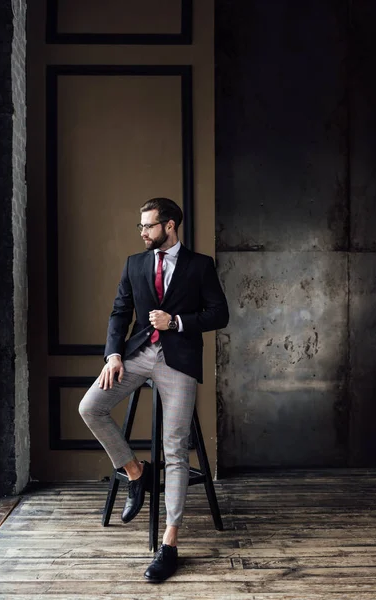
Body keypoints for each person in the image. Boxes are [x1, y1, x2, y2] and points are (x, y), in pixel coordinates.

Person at [79, 197, 229, 582]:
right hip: (136, 355)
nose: (143, 232)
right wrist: (114, 354)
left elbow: (219, 314)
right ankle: (135, 472)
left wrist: (176, 321)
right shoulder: (135, 263)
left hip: (177, 360)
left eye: (149, 226)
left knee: (175, 448)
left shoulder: (200, 266)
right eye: (141, 226)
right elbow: (119, 312)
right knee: (90, 407)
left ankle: (170, 543)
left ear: (171, 226)